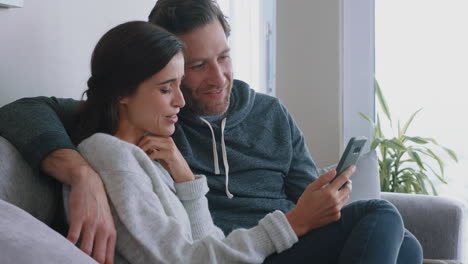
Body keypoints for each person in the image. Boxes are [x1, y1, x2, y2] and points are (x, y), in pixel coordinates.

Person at [0, 0, 423, 263]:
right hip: (244, 249)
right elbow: (22, 111)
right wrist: (80, 172)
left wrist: (322, 202)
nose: (218, 77)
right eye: (198, 66)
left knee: (407, 246)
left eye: (223, 56)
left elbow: (303, 205)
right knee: (380, 216)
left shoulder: (270, 115)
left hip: (274, 243)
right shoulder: (145, 123)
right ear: (168, 69)